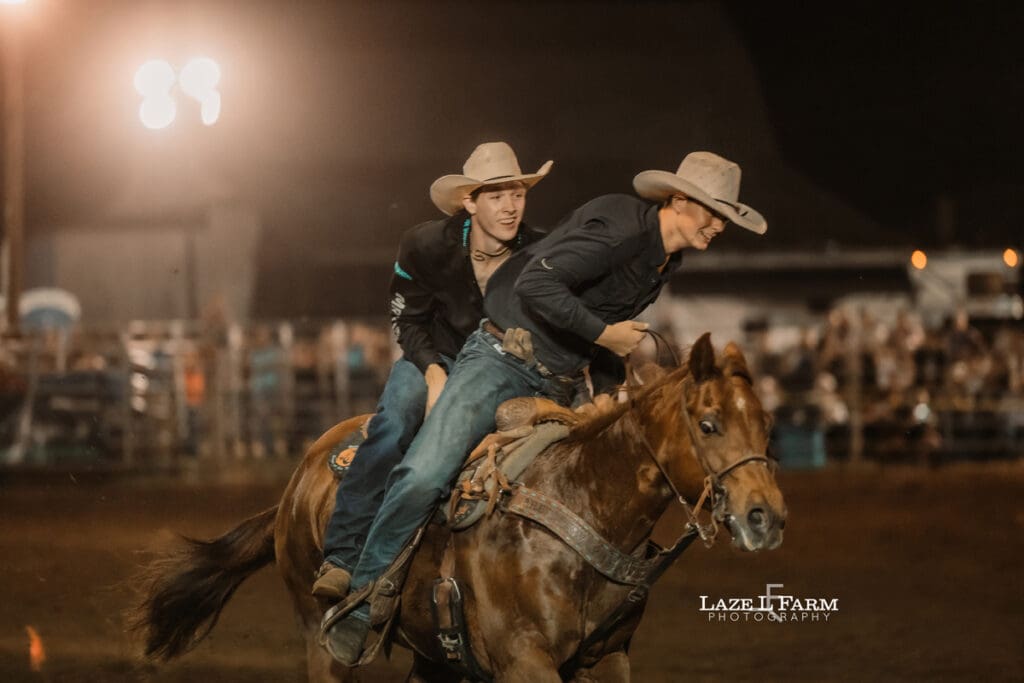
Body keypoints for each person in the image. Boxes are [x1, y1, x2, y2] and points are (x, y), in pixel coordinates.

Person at [323, 150, 767, 664]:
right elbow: (539, 286)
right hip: (500, 362)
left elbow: (599, 320)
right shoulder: (621, 229)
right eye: (713, 211)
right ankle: (363, 597)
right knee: (424, 473)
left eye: (724, 216)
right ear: (679, 201)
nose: (718, 225)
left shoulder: (663, 258)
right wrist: (605, 336)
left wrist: (603, 385)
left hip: (554, 381)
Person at [312, 142, 551, 599]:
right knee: (396, 421)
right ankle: (342, 556)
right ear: (470, 201)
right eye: (496, 195)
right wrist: (433, 373)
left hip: (504, 370)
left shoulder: (540, 250)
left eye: (517, 194)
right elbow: (407, 319)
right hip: (435, 356)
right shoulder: (426, 244)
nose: (509, 207)